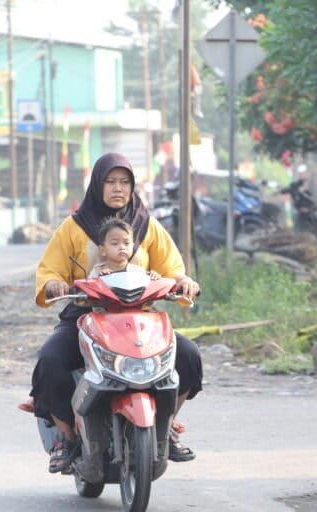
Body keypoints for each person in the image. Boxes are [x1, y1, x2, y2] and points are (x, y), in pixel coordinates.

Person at [30, 152, 202, 474]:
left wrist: (184, 282)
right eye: (110, 181)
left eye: (124, 182)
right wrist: (53, 284)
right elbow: (50, 270)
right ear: (97, 184)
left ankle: (166, 428)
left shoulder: (147, 225)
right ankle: (65, 439)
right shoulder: (74, 226)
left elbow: (172, 268)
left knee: (189, 355)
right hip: (87, 317)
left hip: (140, 321)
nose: (118, 188)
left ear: (133, 186)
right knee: (50, 360)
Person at [88, 218, 161, 280]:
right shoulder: (97, 271)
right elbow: (88, 288)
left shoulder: (138, 271)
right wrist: (100, 278)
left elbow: (147, 289)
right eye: (115, 243)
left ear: (132, 246)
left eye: (126, 243)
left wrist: (153, 277)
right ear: (102, 250)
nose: (122, 247)